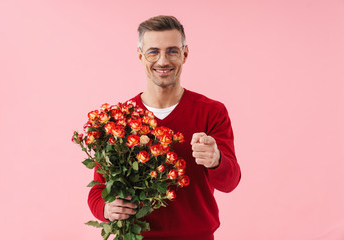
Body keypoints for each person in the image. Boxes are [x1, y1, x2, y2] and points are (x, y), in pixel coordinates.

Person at [88, 15, 241, 240]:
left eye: (172, 51)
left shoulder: (211, 112)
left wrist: (216, 160)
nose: (162, 61)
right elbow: (98, 192)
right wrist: (107, 209)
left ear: (184, 54)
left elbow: (230, 182)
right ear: (140, 56)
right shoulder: (119, 120)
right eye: (153, 52)